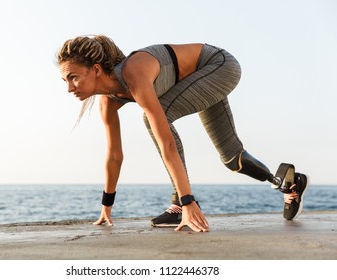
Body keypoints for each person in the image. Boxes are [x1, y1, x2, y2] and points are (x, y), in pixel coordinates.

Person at [57, 35, 309, 232]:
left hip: (218, 65)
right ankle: (289, 184)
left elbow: (166, 141)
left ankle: (180, 204)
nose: (69, 88)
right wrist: (106, 207)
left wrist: (187, 201)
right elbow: (114, 156)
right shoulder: (108, 101)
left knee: (157, 117)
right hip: (197, 79)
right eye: (65, 80)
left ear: (96, 70)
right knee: (233, 159)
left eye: (73, 77)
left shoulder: (133, 73)